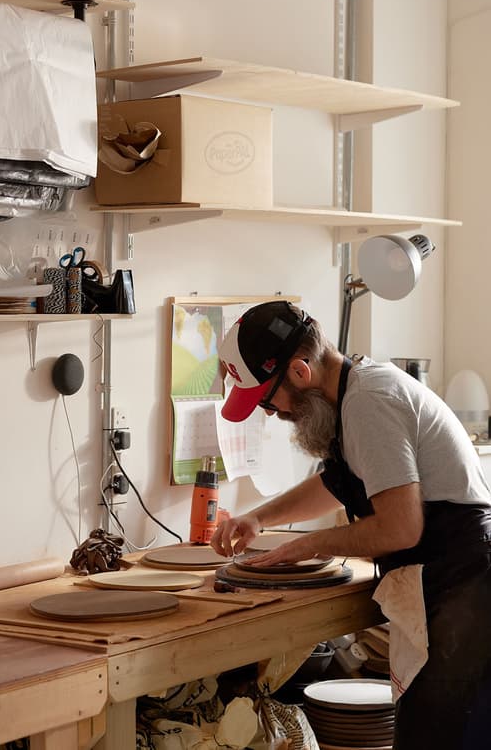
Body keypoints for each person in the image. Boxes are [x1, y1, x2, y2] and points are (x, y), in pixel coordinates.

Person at [209, 299, 491, 750]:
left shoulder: (368, 405)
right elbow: (339, 483)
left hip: (467, 591)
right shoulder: (354, 389)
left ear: (300, 371)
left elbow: (401, 529)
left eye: (267, 400)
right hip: (451, 583)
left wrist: (309, 546)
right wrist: (260, 517)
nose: (271, 413)